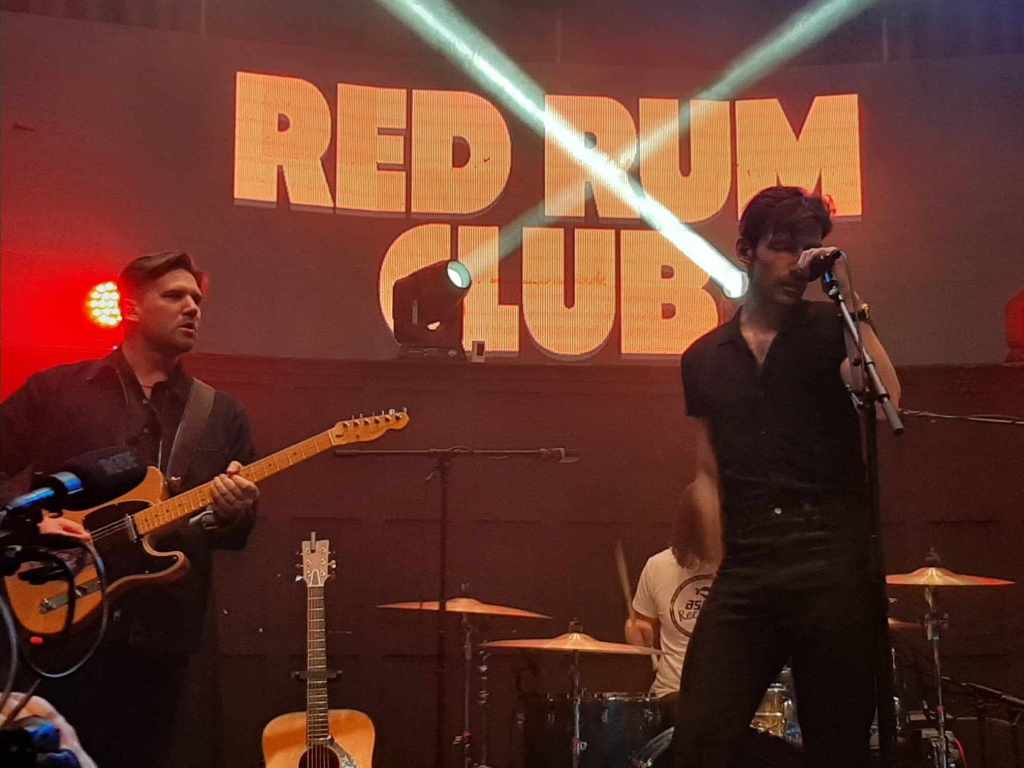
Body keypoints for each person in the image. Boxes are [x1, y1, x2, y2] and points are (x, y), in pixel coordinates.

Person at [0, 251, 259, 767]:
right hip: (55, 618)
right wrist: (33, 519)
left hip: (161, 636)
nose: (192, 308)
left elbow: (229, 534)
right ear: (130, 308)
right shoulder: (57, 390)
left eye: (197, 299)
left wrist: (235, 511)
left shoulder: (220, 413)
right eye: (174, 296)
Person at [672, 186, 901, 768]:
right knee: (699, 738)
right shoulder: (704, 357)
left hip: (831, 561)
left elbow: (886, 400)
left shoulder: (832, 329)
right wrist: (718, 564)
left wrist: (851, 300)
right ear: (746, 250)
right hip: (749, 565)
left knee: (838, 745)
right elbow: (707, 473)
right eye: (781, 246)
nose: (797, 263)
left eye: (809, 248)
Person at [625, 493, 719, 720]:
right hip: (671, 695)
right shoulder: (658, 566)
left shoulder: (740, 565)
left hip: (726, 695)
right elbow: (641, 623)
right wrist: (635, 632)